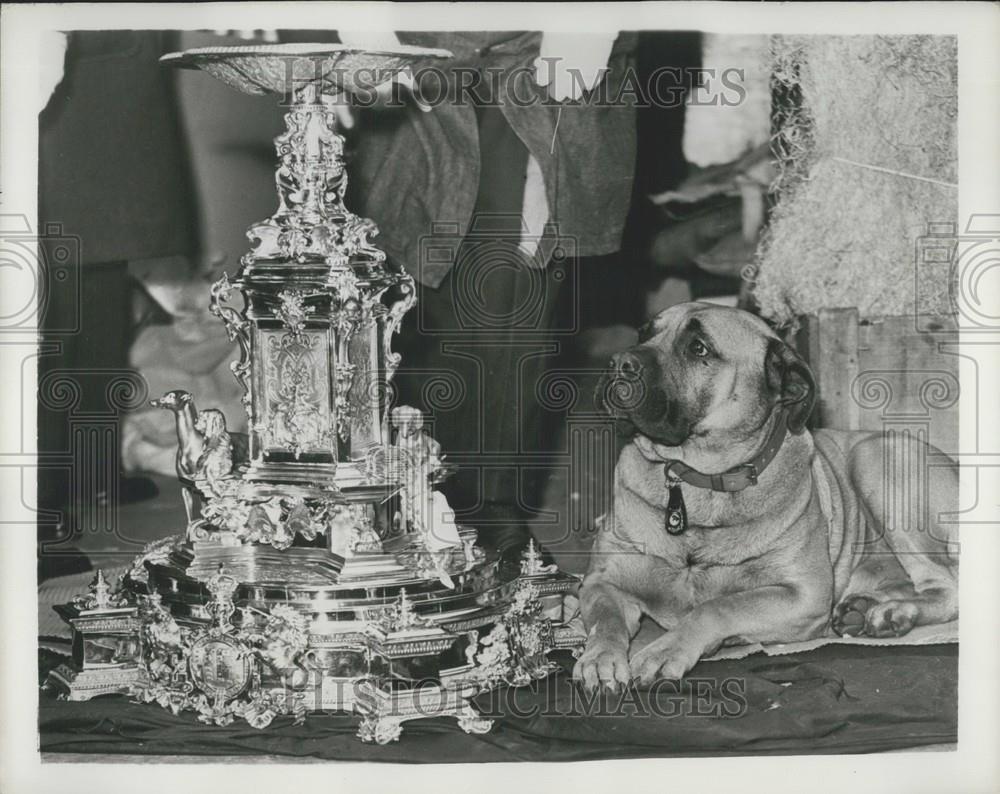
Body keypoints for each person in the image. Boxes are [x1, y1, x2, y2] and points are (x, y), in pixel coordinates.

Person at [340, 31, 638, 559]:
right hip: (418, 71)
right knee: (403, 292)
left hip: (537, 68)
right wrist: (364, 30)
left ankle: (488, 517)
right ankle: (418, 513)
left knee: (506, 297)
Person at [37, 31, 199, 578]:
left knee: (96, 273)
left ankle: (88, 471)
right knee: (54, 295)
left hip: (107, 80)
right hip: (68, 74)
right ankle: (43, 500)